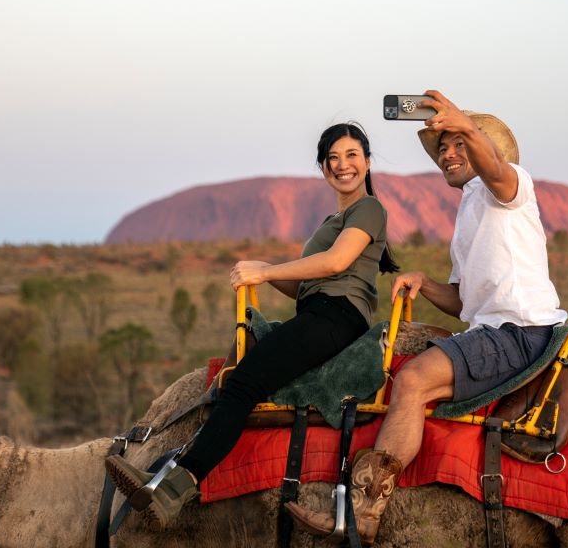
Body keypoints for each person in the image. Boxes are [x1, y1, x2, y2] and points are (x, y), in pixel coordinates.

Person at [287, 90, 568, 545]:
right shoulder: (471, 208)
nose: (448, 155)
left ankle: (364, 512)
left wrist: (462, 122)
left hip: (518, 333)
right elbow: (464, 303)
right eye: (443, 149)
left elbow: (495, 168)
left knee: (414, 381)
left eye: (458, 145)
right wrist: (424, 282)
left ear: (482, 147)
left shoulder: (511, 186)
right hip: (492, 328)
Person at [105, 122, 400, 528]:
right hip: (318, 311)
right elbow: (305, 288)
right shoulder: (335, 218)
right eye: (333, 158)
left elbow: (335, 264)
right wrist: (264, 270)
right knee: (241, 379)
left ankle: (177, 488)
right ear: (323, 168)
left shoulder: (369, 208)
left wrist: (266, 272)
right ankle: (165, 472)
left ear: (367, 163)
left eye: (351, 156)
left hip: (337, 315)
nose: (342, 165)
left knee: (244, 384)